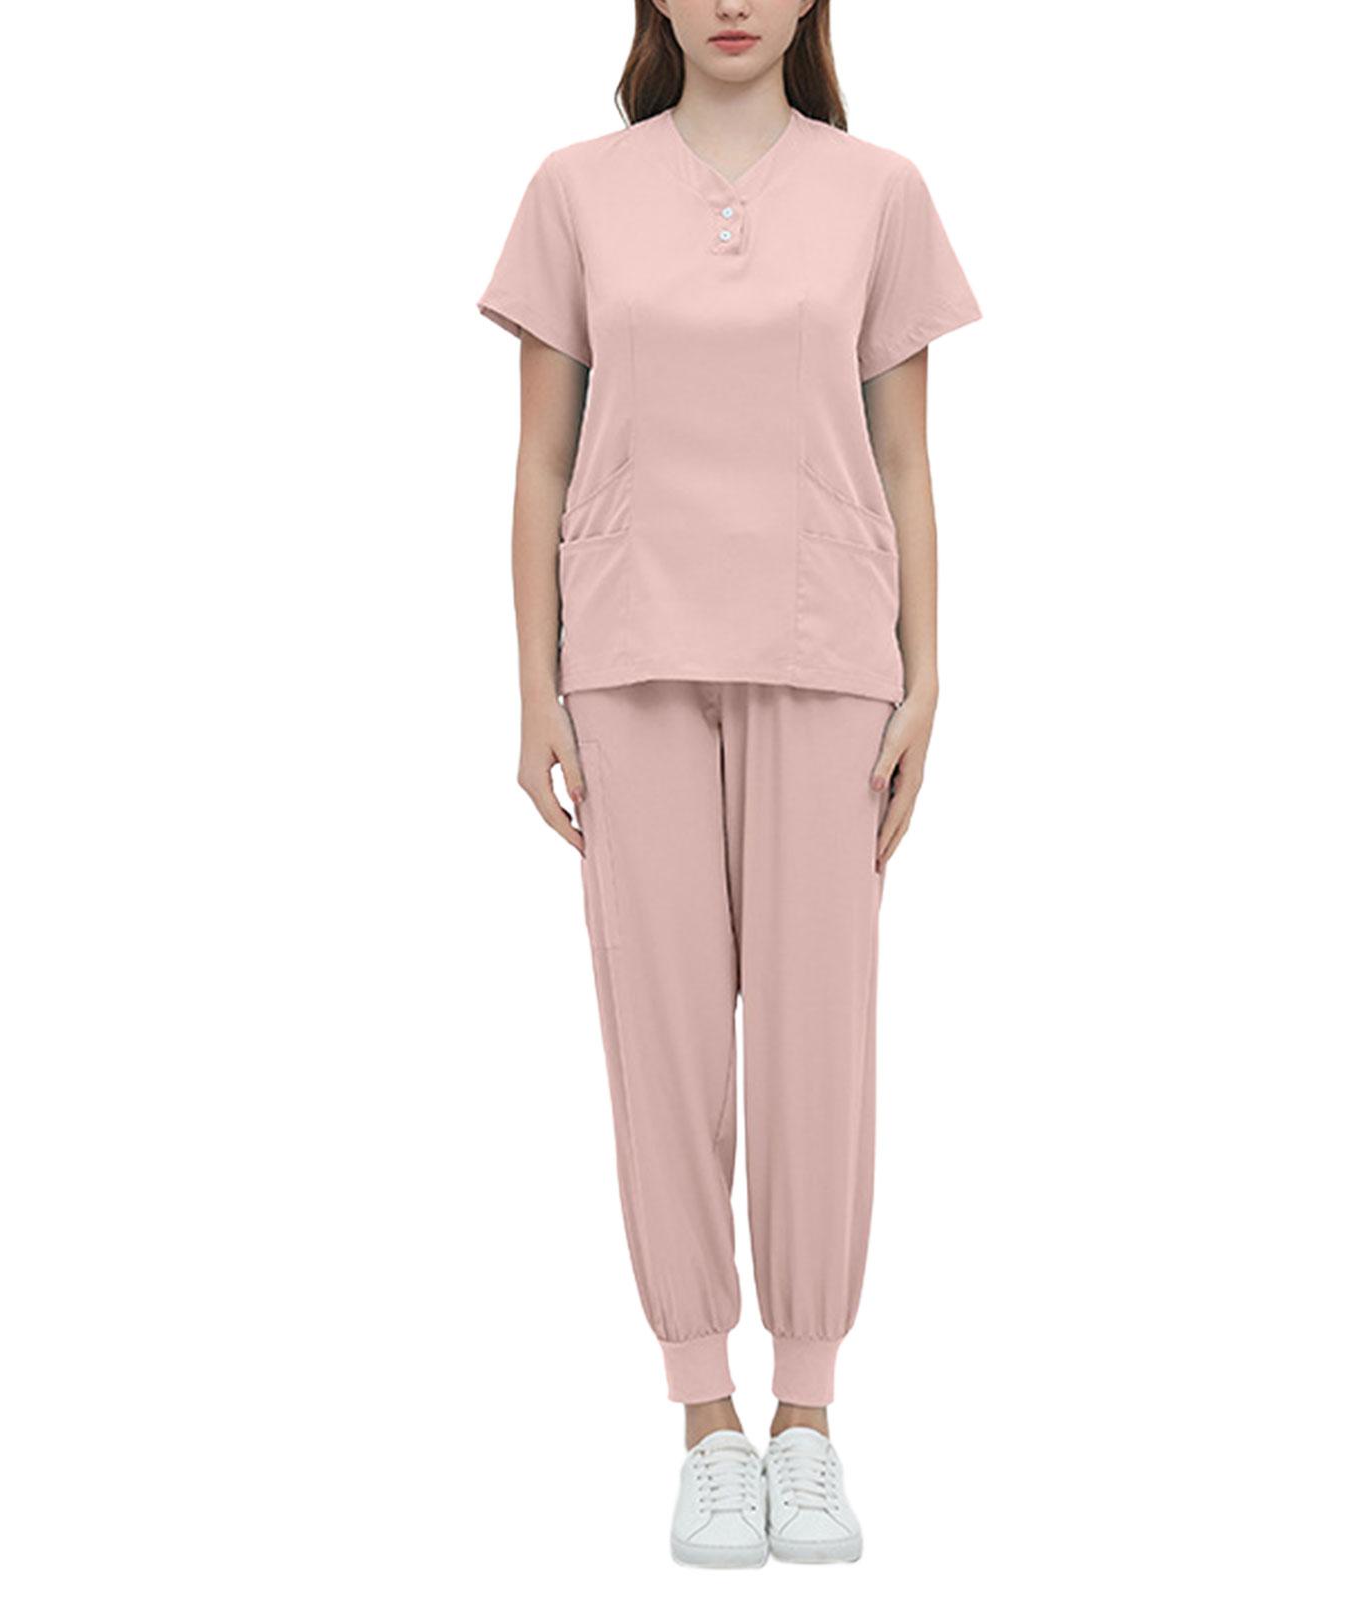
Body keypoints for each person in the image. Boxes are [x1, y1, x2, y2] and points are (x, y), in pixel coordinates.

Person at [477, 0, 981, 1568]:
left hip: (829, 655)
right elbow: (541, 461)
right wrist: (534, 684)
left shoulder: (880, 192)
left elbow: (906, 462)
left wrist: (927, 675)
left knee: (821, 1043)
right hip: (631, 655)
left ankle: (808, 1420)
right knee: (666, 1039)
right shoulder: (575, 190)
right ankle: (706, 1420)